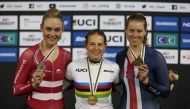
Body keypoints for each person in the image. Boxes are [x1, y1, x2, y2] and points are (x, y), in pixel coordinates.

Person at [13, 8, 71, 109]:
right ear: (41, 28)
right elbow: (16, 89)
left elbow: (69, 84)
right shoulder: (29, 54)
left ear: (62, 30)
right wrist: (32, 85)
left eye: (57, 29)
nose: (52, 34)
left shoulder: (66, 56)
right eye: (48, 29)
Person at [116, 13, 170, 109]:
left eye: (139, 31)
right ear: (125, 31)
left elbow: (165, 93)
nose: (135, 35)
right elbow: (121, 87)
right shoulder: (120, 56)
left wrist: (147, 81)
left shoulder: (156, 57)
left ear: (145, 32)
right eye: (131, 30)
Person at [65, 29, 120, 109]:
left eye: (100, 44)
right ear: (86, 45)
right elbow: (60, 88)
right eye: (92, 44)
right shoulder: (73, 66)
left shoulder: (114, 68)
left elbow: (122, 91)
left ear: (105, 46)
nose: (96, 48)